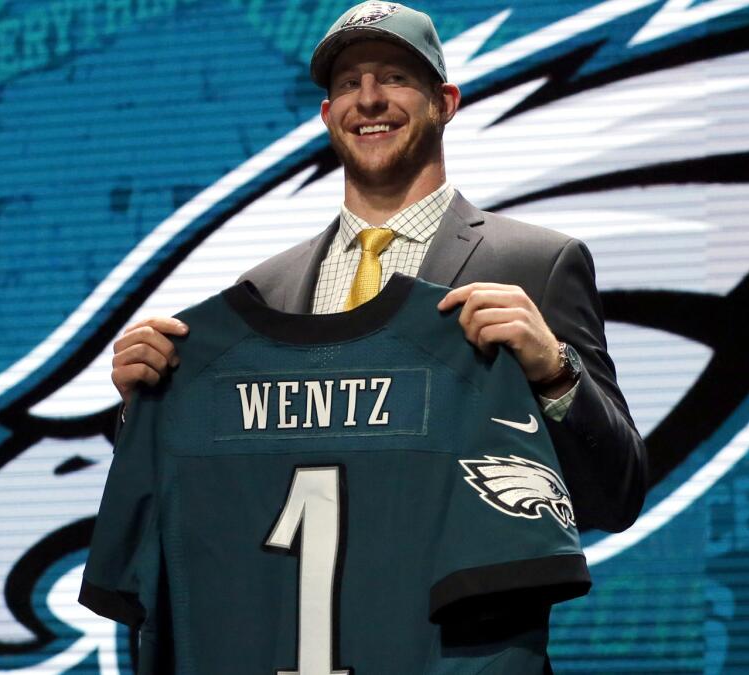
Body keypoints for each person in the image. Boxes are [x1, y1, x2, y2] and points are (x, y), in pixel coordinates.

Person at [110, 0, 645, 533]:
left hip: (462, 611)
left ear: (445, 102)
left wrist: (555, 371)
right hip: (304, 615)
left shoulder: (536, 263)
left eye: (394, 77)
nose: (368, 100)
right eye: (347, 84)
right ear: (326, 115)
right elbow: (215, 504)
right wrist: (145, 408)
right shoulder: (265, 290)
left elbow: (614, 499)